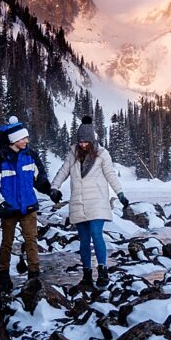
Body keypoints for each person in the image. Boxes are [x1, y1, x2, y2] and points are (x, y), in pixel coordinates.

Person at [51, 116, 130, 287]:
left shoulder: (102, 154)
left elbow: (110, 175)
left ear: (92, 140)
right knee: (84, 239)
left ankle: (102, 270)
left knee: (96, 233)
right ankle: (87, 274)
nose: (83, 145)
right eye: (80, 141)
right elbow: (63, 171)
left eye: (86, 142)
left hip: (97, 201)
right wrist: (54, 188)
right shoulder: (73, 153)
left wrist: (120, 194)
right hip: (78, 202)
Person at [0, 116, 59, 290]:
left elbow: (40, 180)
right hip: (8, 208)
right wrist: (0, 204)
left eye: (26, 137)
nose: (27, 141)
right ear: (13, 140)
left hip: (28, 207)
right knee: (7, 242)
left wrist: (50, 191)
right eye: (23, 138)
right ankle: (3, 275)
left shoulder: (31, 156)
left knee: (31, 240)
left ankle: (34, 275)